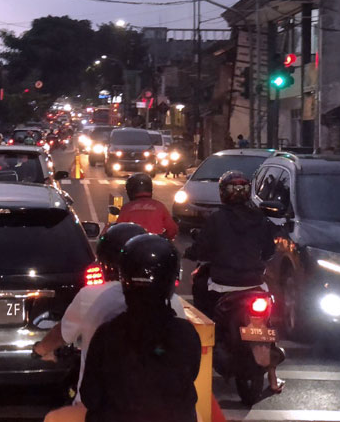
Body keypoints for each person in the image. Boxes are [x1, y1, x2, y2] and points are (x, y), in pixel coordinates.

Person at [36, 224, 186, 422]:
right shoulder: (181, 322)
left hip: (108, 413)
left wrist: (39, 349)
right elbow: (188, 375)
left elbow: (90, 392)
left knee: (53, 418)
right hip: (169, 414)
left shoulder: (104, 318)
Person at [80, 234, 201, 422]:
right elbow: (188, 380)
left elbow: (90, 396)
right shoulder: (186, 333)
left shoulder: (107, 334)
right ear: (172, 280)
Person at [183, 170, 284, 393]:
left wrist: (190, 252)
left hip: (223, 283)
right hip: (255, 283)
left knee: (202, 303)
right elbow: (269, 251)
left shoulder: (216, 219)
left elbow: (202, 248)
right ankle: (274, 377)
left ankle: (207, 341)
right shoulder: (260, 218)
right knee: (269, 320)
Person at [115, 173, 178, 240]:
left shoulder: (126, 208)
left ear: (130, 190)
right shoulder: (159, 206)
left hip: (133, 247)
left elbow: (118, 232)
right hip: (156, 245)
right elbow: (172, 229)